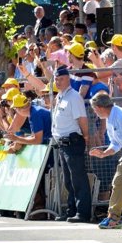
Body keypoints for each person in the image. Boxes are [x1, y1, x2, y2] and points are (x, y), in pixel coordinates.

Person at [88, 93, 122, 229]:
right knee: (118, 182)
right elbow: (115, 144)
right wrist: (104, 154)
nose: (94, 112)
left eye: (94, 109)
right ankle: (113, 218)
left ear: (99, 107)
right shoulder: (110, 118)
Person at [52, 66, 91, 223]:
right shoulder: (61, 96)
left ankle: (83, 213)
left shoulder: (74, 97)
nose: (58, 82)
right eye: (56, 79)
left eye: (61, 79)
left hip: (73, 141)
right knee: (69, 180)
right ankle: (71, 210)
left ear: (68, 79)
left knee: (78, 179)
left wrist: (86, 136)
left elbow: (82, 118)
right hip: (62, 142)